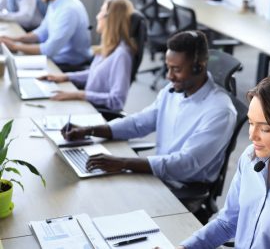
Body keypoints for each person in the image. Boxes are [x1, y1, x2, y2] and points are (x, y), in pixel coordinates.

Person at [62, 30, 237, 190]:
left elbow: (185, 164)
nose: (169, 76)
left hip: (183, 188)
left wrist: (123, 163)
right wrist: (90, 130)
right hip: (157, 175)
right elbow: (139, 122)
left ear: (199, 66)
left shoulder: (220, 111)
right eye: (168, 67)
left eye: (176, 69)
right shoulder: (173, 91)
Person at [176, 74, 270, 249]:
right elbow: (227, 223)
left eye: (265, 129)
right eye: (251, 123)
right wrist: (185, 248)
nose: (252, 136)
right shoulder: (250, 158)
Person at [39, 0, 137, 111]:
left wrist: (79, 95)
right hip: (87, 105)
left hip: (95, 112)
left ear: (111, 19)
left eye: (102, 12)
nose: (97, 16)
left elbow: (117, 100)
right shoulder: (108, 47)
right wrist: (65, 77)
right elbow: (94, 73)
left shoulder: (122, 55)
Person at [0, 0, 91, 72]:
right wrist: (13, 39)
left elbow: (49, 49)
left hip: (69, 66)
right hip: (55, 60)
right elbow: (41, 33)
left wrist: (15, 46)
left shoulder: (69, 9)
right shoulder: (54, 2)